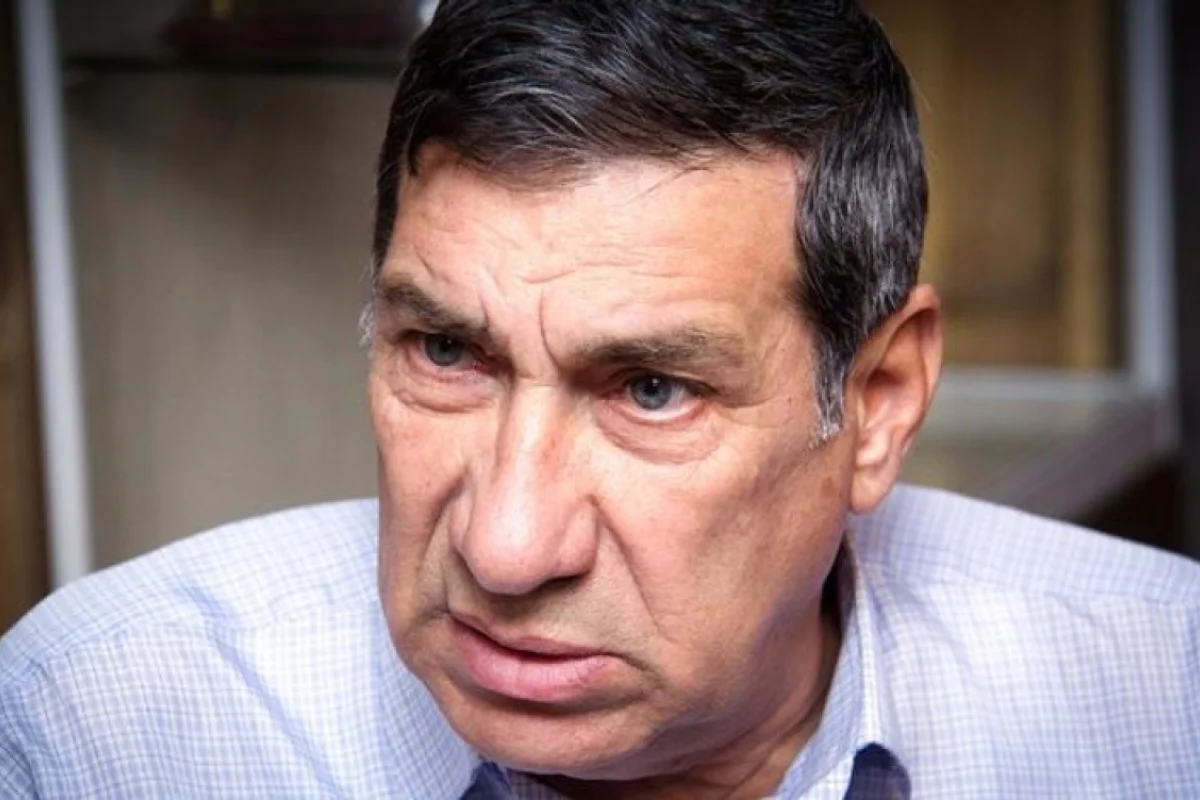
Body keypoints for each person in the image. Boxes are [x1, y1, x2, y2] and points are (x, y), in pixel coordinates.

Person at [3, 0, 1198, 797]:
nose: (505, 546)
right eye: (447, 351)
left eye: (653, 388)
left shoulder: (1165, 702)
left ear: (878, 401)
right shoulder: (105, 728)